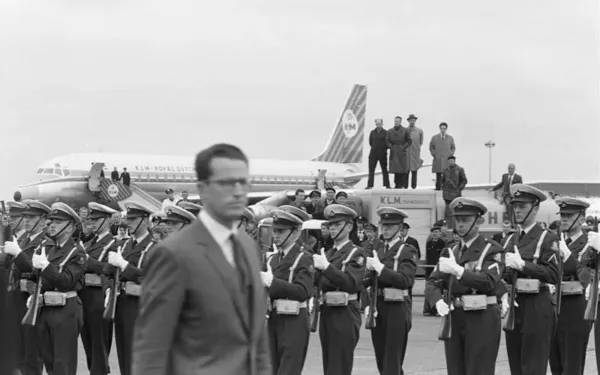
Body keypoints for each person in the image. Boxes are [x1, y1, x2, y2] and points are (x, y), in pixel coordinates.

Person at [131, 143, 270, 375]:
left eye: (243, 182)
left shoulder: (246, 246)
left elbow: (257, 337)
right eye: (226, 183)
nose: (238, 191)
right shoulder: (173, 254)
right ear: (202, 189)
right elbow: (152, 345)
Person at [425, 197, 504, 375]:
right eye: (458, 220)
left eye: (465, 220)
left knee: (478, 370)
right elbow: (432, 281)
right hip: (455, 317)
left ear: (479, 222)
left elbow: (489, 281)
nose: (460, 225)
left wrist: (459, 271)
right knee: (455, 370)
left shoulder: (491, 249)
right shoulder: (451, 250)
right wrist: (436, 300)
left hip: (481, 318)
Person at [5, 202, 87, 375]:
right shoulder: (50, 250)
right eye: (52, 220)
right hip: (45, 309)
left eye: (57, 221)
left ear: (70, 226)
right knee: (49, 363)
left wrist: (45, 266)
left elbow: (65, 282)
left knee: (62, 365)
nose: (52, 225)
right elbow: (35, 276)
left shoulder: (76, 252)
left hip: (66, 310)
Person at [502, 184, 560, 375]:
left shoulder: (547, 238)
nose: (517, 211)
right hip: (515, 305)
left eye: (522, 207)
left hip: (537, 305)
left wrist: (524, 266)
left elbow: (554, 274)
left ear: (535, 209)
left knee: (533, 365)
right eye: (515, 206)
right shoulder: (510, 240)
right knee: (516, 364)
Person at [364, 207, 419, 375]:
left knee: (392, 359)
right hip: (377, 306)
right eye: (383, 225)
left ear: (400, 227)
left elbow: (405, 280)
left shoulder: (407, 250)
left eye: (390, 225)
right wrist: (366, 302)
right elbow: (367, 282)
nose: (385, 229)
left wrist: (381, 269)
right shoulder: (379, 250)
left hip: (397, 306)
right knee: (381, 358)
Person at [313, 204, 366, 375]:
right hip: (327, 312)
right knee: (329, 364)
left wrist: (327, 268)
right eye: (331, 225)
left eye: (337, 224)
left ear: (349, 226)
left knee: (340, 365)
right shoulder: (328, 253)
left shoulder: (356, 253)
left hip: (345, 313)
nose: (333, 228)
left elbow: (351, 283)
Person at [102, 202, 154, 375]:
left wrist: (124, 265)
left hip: (140, 305)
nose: (128, 223)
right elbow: (108, 272)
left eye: (133, 219)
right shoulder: (125, 244)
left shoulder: (154, 246)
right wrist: (109, 288)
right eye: (127, 219)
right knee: (123, 352)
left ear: (146, 220)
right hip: (122, 302)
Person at [261, 208, 314, 375]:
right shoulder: (272, 258)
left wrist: (273, 282)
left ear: (296, 231)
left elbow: (303, 291)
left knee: (288, 370)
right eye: (274, 231)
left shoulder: (304, 257)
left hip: (294, 320)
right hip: (275, 318)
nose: (275, 235)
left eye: (281, 231)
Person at [548, 198, 592, 375]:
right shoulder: (554, 243)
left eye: (569, 215)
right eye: (562, 215)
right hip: (553, 307)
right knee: (555, 363)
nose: (564, 219)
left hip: (576, 308)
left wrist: (568, 257)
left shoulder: (590, 244)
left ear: (581, 219)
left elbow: (586, 277)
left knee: (572, 364)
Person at [11, 200, 50, 375]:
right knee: (19, 352)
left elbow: (34, 270)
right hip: (17, 301)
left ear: (42, 221)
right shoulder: (25, 239)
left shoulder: (45, 243)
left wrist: (18, 254)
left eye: (31, 217)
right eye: (25, 217)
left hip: (32, 302)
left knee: (32, 355)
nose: (26, 220)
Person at [81, 202, 118, 375]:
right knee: (88, 343)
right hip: (85, 296)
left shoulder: (113, 244)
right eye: (91, 219)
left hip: (99, 298)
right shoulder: (91, 242)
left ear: (108, 220)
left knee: (99, 344)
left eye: (97, 220)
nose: (92, 223)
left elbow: (107, 268)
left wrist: (86, 259)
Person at [386, 116, 412, 189]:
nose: (396, 122)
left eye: (397, 121)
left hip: (401, 151)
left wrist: (403, 147)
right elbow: (387, 141)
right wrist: (391, 147)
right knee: (395, 169)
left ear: (400, 122)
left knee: (402, 169)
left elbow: (409, 140)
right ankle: (396, 185)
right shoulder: (390, 131)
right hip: (394, 151)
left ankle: (401, 185)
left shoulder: (405, 130)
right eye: (395, 121)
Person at [442, 156, 468, 227]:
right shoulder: (445, 170)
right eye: (449, 161)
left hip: (456, 194)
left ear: (454, 161)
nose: (451, 162)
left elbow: (464, 180)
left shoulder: (460, 169)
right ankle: (448, 227)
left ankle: (456, 227)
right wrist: (443, 188)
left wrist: (459, 188)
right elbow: (442, 180)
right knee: (447, 212)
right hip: (447, 195)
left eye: (452, 161)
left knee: (456, 212)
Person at [429, 122, 456, 191]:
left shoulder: (450, 138)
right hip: (438, 158)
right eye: (441, 128)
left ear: (446, 129)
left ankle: (446, 187)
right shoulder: (434, 137)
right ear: (439, 128)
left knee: (447, 174)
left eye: (444, 128)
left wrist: (450, 154)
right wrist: (434, 154)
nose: (443, 130)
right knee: (438, 174)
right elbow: (431, 147)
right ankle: (438, 187)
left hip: (447, 159)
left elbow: (453, 147)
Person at [367, 119, 390, 189]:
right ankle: (370, 185)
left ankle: (387, 185)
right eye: (377, 124)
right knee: (371, 170)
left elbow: (388, 143)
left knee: (384, 170)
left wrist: (383, 148)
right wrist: (375, 148)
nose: (378, 125)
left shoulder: (386, 132)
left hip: (382, 153)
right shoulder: (372, 132)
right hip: (373, 153)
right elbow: (370, 142)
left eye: (379, 124)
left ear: (382, 124)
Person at [405, 114, 424, 189]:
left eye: (413, 120)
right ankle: (405, 187)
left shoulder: (419, 131)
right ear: (408, 121)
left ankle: (414, 187)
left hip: (415, 153)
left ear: (415, 120)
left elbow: (421, 142)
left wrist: (416, 149)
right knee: (406, 171)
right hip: (406, 153)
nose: (412, 121)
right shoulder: (405, 130)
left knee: (414, 171)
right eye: (410, 120)